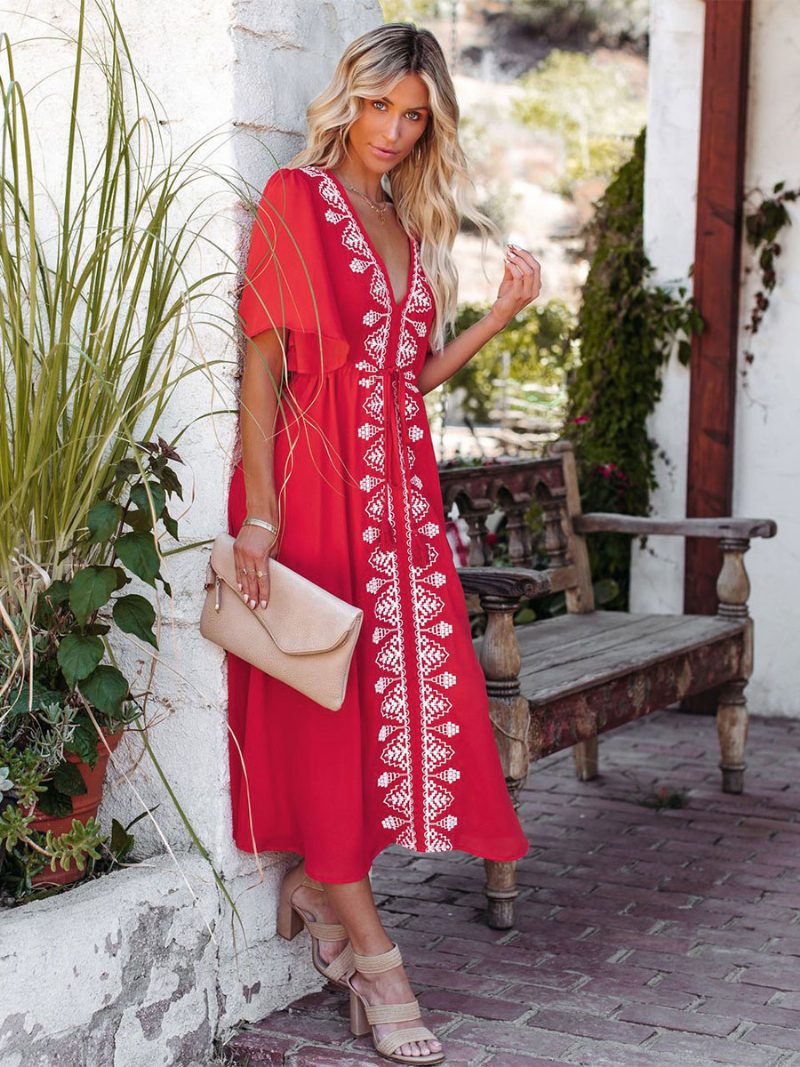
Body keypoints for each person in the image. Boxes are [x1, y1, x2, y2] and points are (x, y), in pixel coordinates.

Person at [226, 21, 541, 1065]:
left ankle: (320, 887)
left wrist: (497, 315)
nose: (395, 131)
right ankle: (375, 955)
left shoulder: (404, 217)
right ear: (346, 99)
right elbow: (263, 370)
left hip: (401, 506)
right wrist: (263, 513)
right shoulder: (296, 200)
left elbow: (404, 378)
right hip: (318, 494)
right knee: (329, 713)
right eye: (381, 107)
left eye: (414, 115)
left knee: (381, 719)